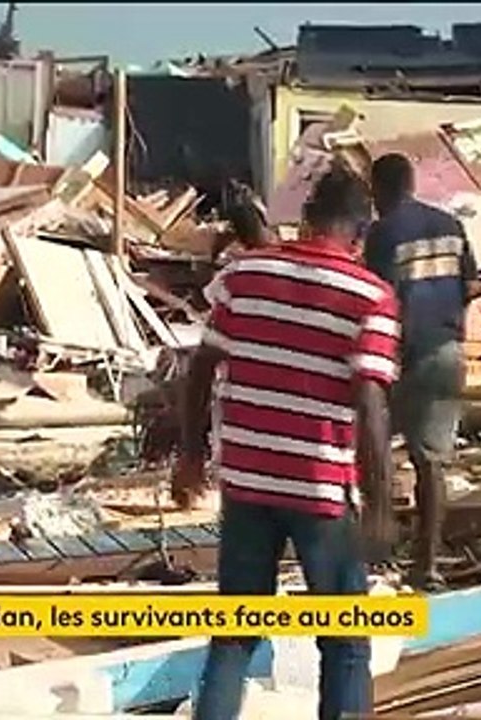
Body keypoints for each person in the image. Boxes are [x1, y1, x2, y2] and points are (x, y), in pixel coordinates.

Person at [173, 167, 400, 720]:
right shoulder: (369, 294)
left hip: (247, 480)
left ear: (307, 218)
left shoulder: (245, 273)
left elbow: (201, 365)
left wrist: (191, 455)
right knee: (344, 641)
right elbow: (370, 403)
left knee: (235, 636)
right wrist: (381, 501)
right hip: (320, 489)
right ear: (359, 233)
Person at [364, 153, 481, 591]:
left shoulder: (383, 233)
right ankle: (428, 563)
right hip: (447, 351)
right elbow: (471, 282)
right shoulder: (450, 225)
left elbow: (374, 298)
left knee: (376, 449)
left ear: (379, 189)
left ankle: (376, 553)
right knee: (431, 463)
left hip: (401, 355)